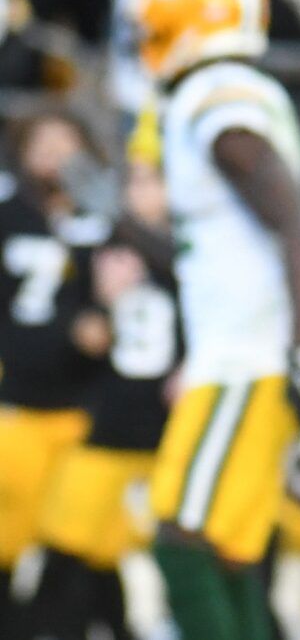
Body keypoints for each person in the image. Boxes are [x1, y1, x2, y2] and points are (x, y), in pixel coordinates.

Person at [132, 0, 300, 640]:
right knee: (228, 550)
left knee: (178, 537)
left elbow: (292, 221)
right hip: (245, 354)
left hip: (245, 360)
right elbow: (231, 242)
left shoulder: (211, 96)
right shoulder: (233, 91)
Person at [27, 129, 181, 640]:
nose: (143, 193)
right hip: (105, 426)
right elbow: (68, 329)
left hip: (162, 439)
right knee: (70, 554)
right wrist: (95, 315)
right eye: (134, 180)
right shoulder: (100, 246)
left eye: (154, 180)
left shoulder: (194, 254)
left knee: (145, 568)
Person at [0, 111, 108, 628]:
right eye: (42, 141)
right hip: (15, 404)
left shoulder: (104, 221)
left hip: (81, 410)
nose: (54, 152)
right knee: (6, 545)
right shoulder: (8, 216)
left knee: (75, 549)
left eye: (66, 141)